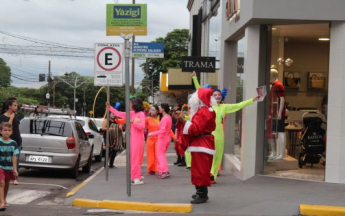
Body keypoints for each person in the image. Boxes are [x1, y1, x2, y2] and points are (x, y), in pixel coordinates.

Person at [192, 72, 259, 183]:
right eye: (215, 95)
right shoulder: (208, 106)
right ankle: (206, 173)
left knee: (218, 156)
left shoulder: (224, 107)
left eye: (219, 95)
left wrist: (253, 100)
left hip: (219, 136)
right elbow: (200, 91)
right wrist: (194, 78)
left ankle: (212, 175)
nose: (217, 96)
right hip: (208, 136)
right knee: (207, 156)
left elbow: (239, 105)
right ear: (210, 97)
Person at [177, 88, 216, 204]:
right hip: (203, 143)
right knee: (201, 169)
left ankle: (202, 194)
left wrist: (183, 121)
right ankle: (201, 192)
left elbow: (195, 129)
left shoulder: (203, 111)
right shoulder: (207, 110)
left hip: (201, 143)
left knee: (200, 169)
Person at [108, 98, 145, 185]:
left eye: (131, 104)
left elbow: (142, 126)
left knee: (136, 159)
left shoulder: (141, 114)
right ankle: (135, 177)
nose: (130, 105)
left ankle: (136, 178)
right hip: (133, 139)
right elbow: (120, 113)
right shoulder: (132, 113)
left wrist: (133, 122)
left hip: (138, 139)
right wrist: (110, 108)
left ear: (135, 104)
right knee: (133, 159)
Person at [145, 105, 176, 175]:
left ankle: (163, 170)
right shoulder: (167, 117)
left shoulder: (164, 118)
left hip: (161, 138)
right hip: (156, 138)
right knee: (155, 155)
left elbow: (164, 130)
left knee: (160, 155)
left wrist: (174, 137)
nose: (151, 111)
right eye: (151, 109)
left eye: (158, 109)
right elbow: (142, 126)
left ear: (162, 109)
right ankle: (156, 169)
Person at [0, 99, 21, 185]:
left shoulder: (17, 116)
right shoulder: (2, 117)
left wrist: (19, 136)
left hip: (17, 141)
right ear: (9, 106)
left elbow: (18, 127)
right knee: (6, 159)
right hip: (6, 142)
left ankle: (15, 177)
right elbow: (7, 127)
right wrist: (11, 118)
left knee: (16, 159)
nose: (16, 107)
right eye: (15, 105)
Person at [0, 122, 19, 211]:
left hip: (9, 167)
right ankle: (1, 203)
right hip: (1, 167)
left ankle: (4, 198)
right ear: (1, 132)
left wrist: (15, 169)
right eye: (5, 130)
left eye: (9, 130)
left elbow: (14, 157)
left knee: (6, 183)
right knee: (1, 183)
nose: (7, 132)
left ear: (11, 132)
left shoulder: (13, 143)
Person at [268, 68, 286, 160]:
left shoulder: (279, 85)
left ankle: (281, 153)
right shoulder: (273, 85)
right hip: (274, 112)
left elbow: (282, 99)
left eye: (270, 75)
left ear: (273, 75)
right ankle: (277, 153)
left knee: (280, 132)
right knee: (276, 133)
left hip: (278, 113)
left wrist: (279, 112)